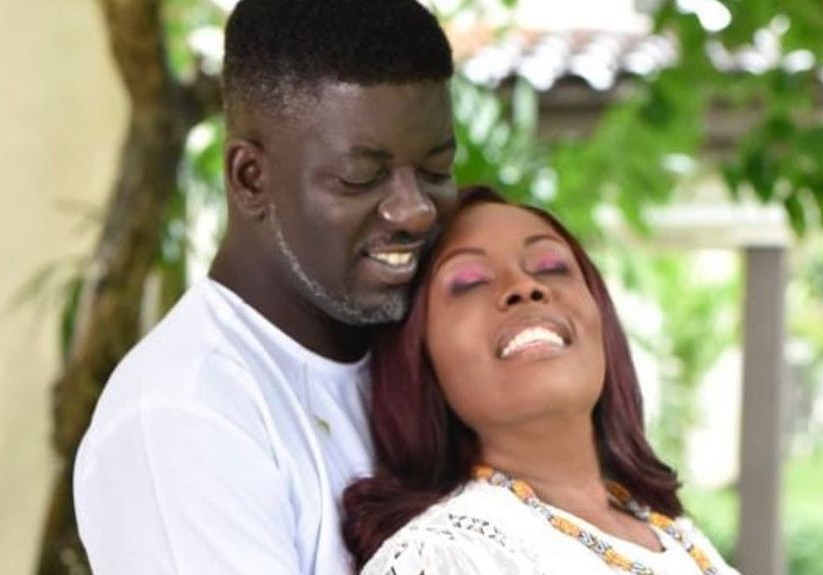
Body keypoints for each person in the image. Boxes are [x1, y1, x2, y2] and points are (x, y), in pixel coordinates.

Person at [73, 1, 456, 573]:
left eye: (436, 170)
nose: (415, 209)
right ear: (250, 178)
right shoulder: (185, 414)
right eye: (361, 177)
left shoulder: (426, 354)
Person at [343, 186, 740, 574]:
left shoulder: (675, 534)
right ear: (417, 354)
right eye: (470, 282)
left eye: (551, 266)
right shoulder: (438, 556)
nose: (524, 287)